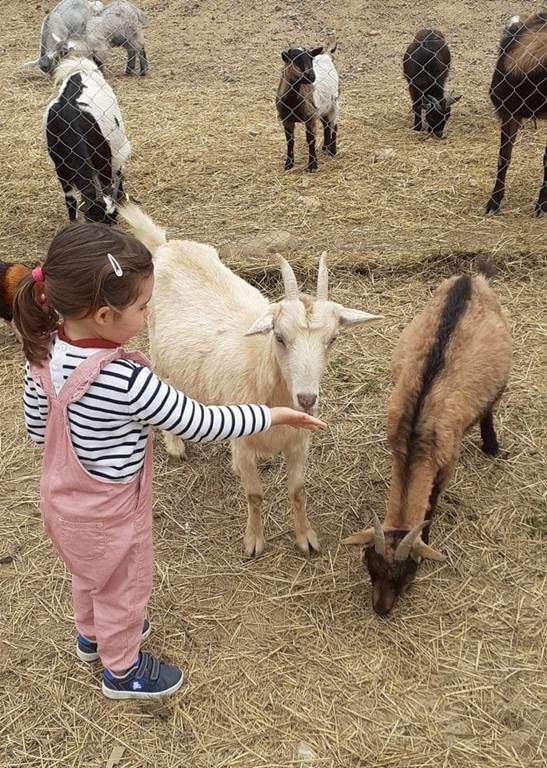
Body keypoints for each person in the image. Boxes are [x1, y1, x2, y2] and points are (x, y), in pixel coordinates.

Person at [13, 222, 326, 700]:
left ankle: (91, 636)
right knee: (123, 586)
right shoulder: (127, 380)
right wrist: (270, 414)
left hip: (61, 503)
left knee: (87, 572)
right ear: (104, 315)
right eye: (143, 308)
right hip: (112, 511)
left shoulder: (41, 354)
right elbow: (198, 422)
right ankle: (123, 670)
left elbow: (38, 428)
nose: (148, 316)